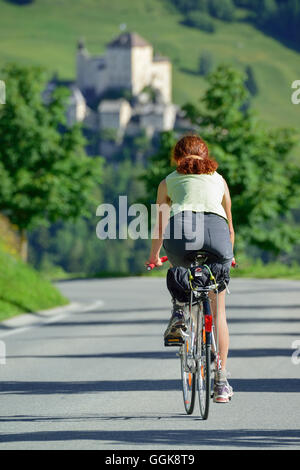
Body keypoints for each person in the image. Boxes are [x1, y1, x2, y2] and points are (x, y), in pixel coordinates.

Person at [145, 135, 235, 403]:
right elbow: (230, 227)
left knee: (180, 271)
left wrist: (153, 256)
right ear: (205, 156)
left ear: (176, 157)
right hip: (218, 238)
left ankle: (179, 314)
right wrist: (228, 257)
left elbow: (160, 226)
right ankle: (221, 381)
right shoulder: (219, 179)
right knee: (218, 311)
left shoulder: (168, 181)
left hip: (181, 233)